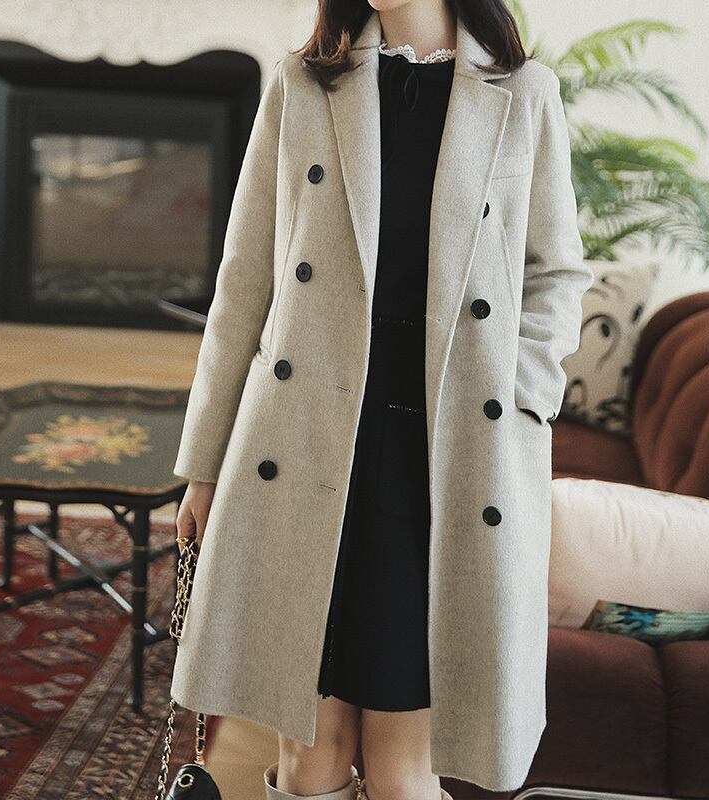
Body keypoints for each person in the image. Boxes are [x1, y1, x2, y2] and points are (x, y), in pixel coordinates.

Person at [171, 1, 594, 798]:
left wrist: (520, 393)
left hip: (444, 465)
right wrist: (204, 466)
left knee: (403, 770)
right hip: (304, 445)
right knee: (310, 759)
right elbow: (244, 279)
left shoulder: (523, 91)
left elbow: (557, 273)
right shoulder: (304, 84)